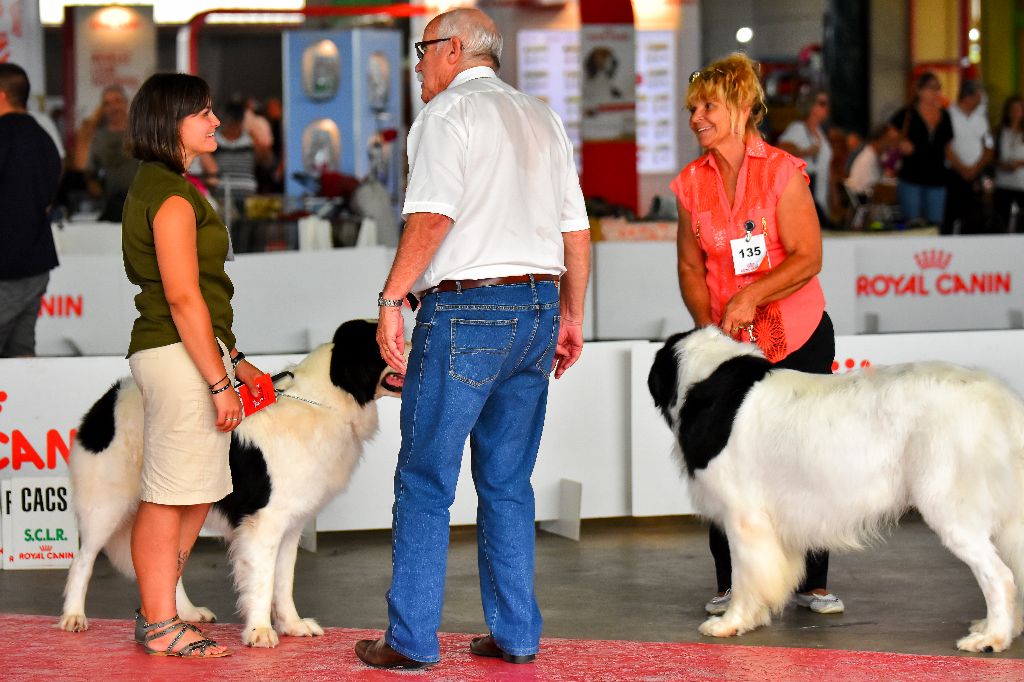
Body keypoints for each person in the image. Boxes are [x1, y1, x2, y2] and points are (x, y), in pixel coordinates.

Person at [355, 7, 590, 670]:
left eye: (423, 51)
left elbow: (433, 216)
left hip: (468, 311)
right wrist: (571, 316)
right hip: (539, 307)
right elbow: (577, 231)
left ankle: (409, 640)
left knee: (426, 480)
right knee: (509, 482)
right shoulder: (541, 115)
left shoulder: (446, 116)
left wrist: (391, 297)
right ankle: (516, 636)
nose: (418, 66)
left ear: (453, 50)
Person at [671, 53, 844, 619]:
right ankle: (734, 582)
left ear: (743, 108)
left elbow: (808, 257)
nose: (697, 117)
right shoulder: (691, 185)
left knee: (807, 456)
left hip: (797, 336)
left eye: (709, 106)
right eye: (693, 107)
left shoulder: (783, 172)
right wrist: (708, 327)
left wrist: (752, 295)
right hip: (730, 345)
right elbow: (692, 269)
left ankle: (812, 582)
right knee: (727, 460)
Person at [122, 72, 266, 658]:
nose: (215, 122)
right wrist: (217, 381)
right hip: (176, 354)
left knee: (193, 491)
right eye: (202, 113)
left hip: (187, 351)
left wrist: (234, 362)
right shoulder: (172, 196)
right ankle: (159, 623)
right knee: (168, 494)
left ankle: (159, 613)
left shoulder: (167, 187)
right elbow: (182, 299)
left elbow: (195, 299)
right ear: (169, 123)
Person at [0, 63, 62, 357]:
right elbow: (50, 196)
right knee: (22, 351)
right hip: (37, 260)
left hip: (5, 265)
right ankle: (26, 404)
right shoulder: (45, 139)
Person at [889, 72, 954, 227]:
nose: (935, 93)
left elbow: (947, 146)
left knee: (935, 225)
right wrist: (901, 142)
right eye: (931, 88)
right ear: (920, 91)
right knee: (913, 224)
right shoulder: (907, 114)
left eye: (938, 88)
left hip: (937, 178)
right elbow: (889, 133)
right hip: (912, 177)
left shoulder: (945, 116)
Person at [76, 85, 139, 221]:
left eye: (117, 101)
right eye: (107, 104)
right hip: (111, 207)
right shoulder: (97, 137)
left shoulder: (141, 133)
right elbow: (87, 170)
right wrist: (92, 183)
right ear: (103, 109)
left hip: (140, 206)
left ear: (126, 103)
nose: (114, 107)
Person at [945, 79, 993, 234]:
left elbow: (989, 146)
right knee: (950, 215)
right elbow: (945, 147)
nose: (981, 99)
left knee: (975, 216)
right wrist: (962, 169)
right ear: (968, 96)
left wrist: (974, 169)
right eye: (979, 95)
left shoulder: (981, 118)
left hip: (975, 174)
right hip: (953, 174)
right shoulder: (948, 114)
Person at [778, 89, 833, 226]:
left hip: (820, 197)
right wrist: (805, 152)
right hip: (805, 198)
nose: (826, 107)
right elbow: (781, 149)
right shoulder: (797, 128)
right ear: (811, 106)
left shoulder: (820, 132)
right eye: (822, 103)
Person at [994, 94, 1024, 233]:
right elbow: (992, 156)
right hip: (1003, 183)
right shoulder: (1000, 132)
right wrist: (1003, 165)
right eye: (1013, 109)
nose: (1016, 112)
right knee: (1001, 221)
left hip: (1022, 183)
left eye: (1019, 108)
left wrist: (1019, 163)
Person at [846, 124, 899, 198]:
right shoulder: (868, 159)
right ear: (880, 140)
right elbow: (875, 188)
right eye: (889, 140)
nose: (892, 144)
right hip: (867, 199)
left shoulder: (873, 154)